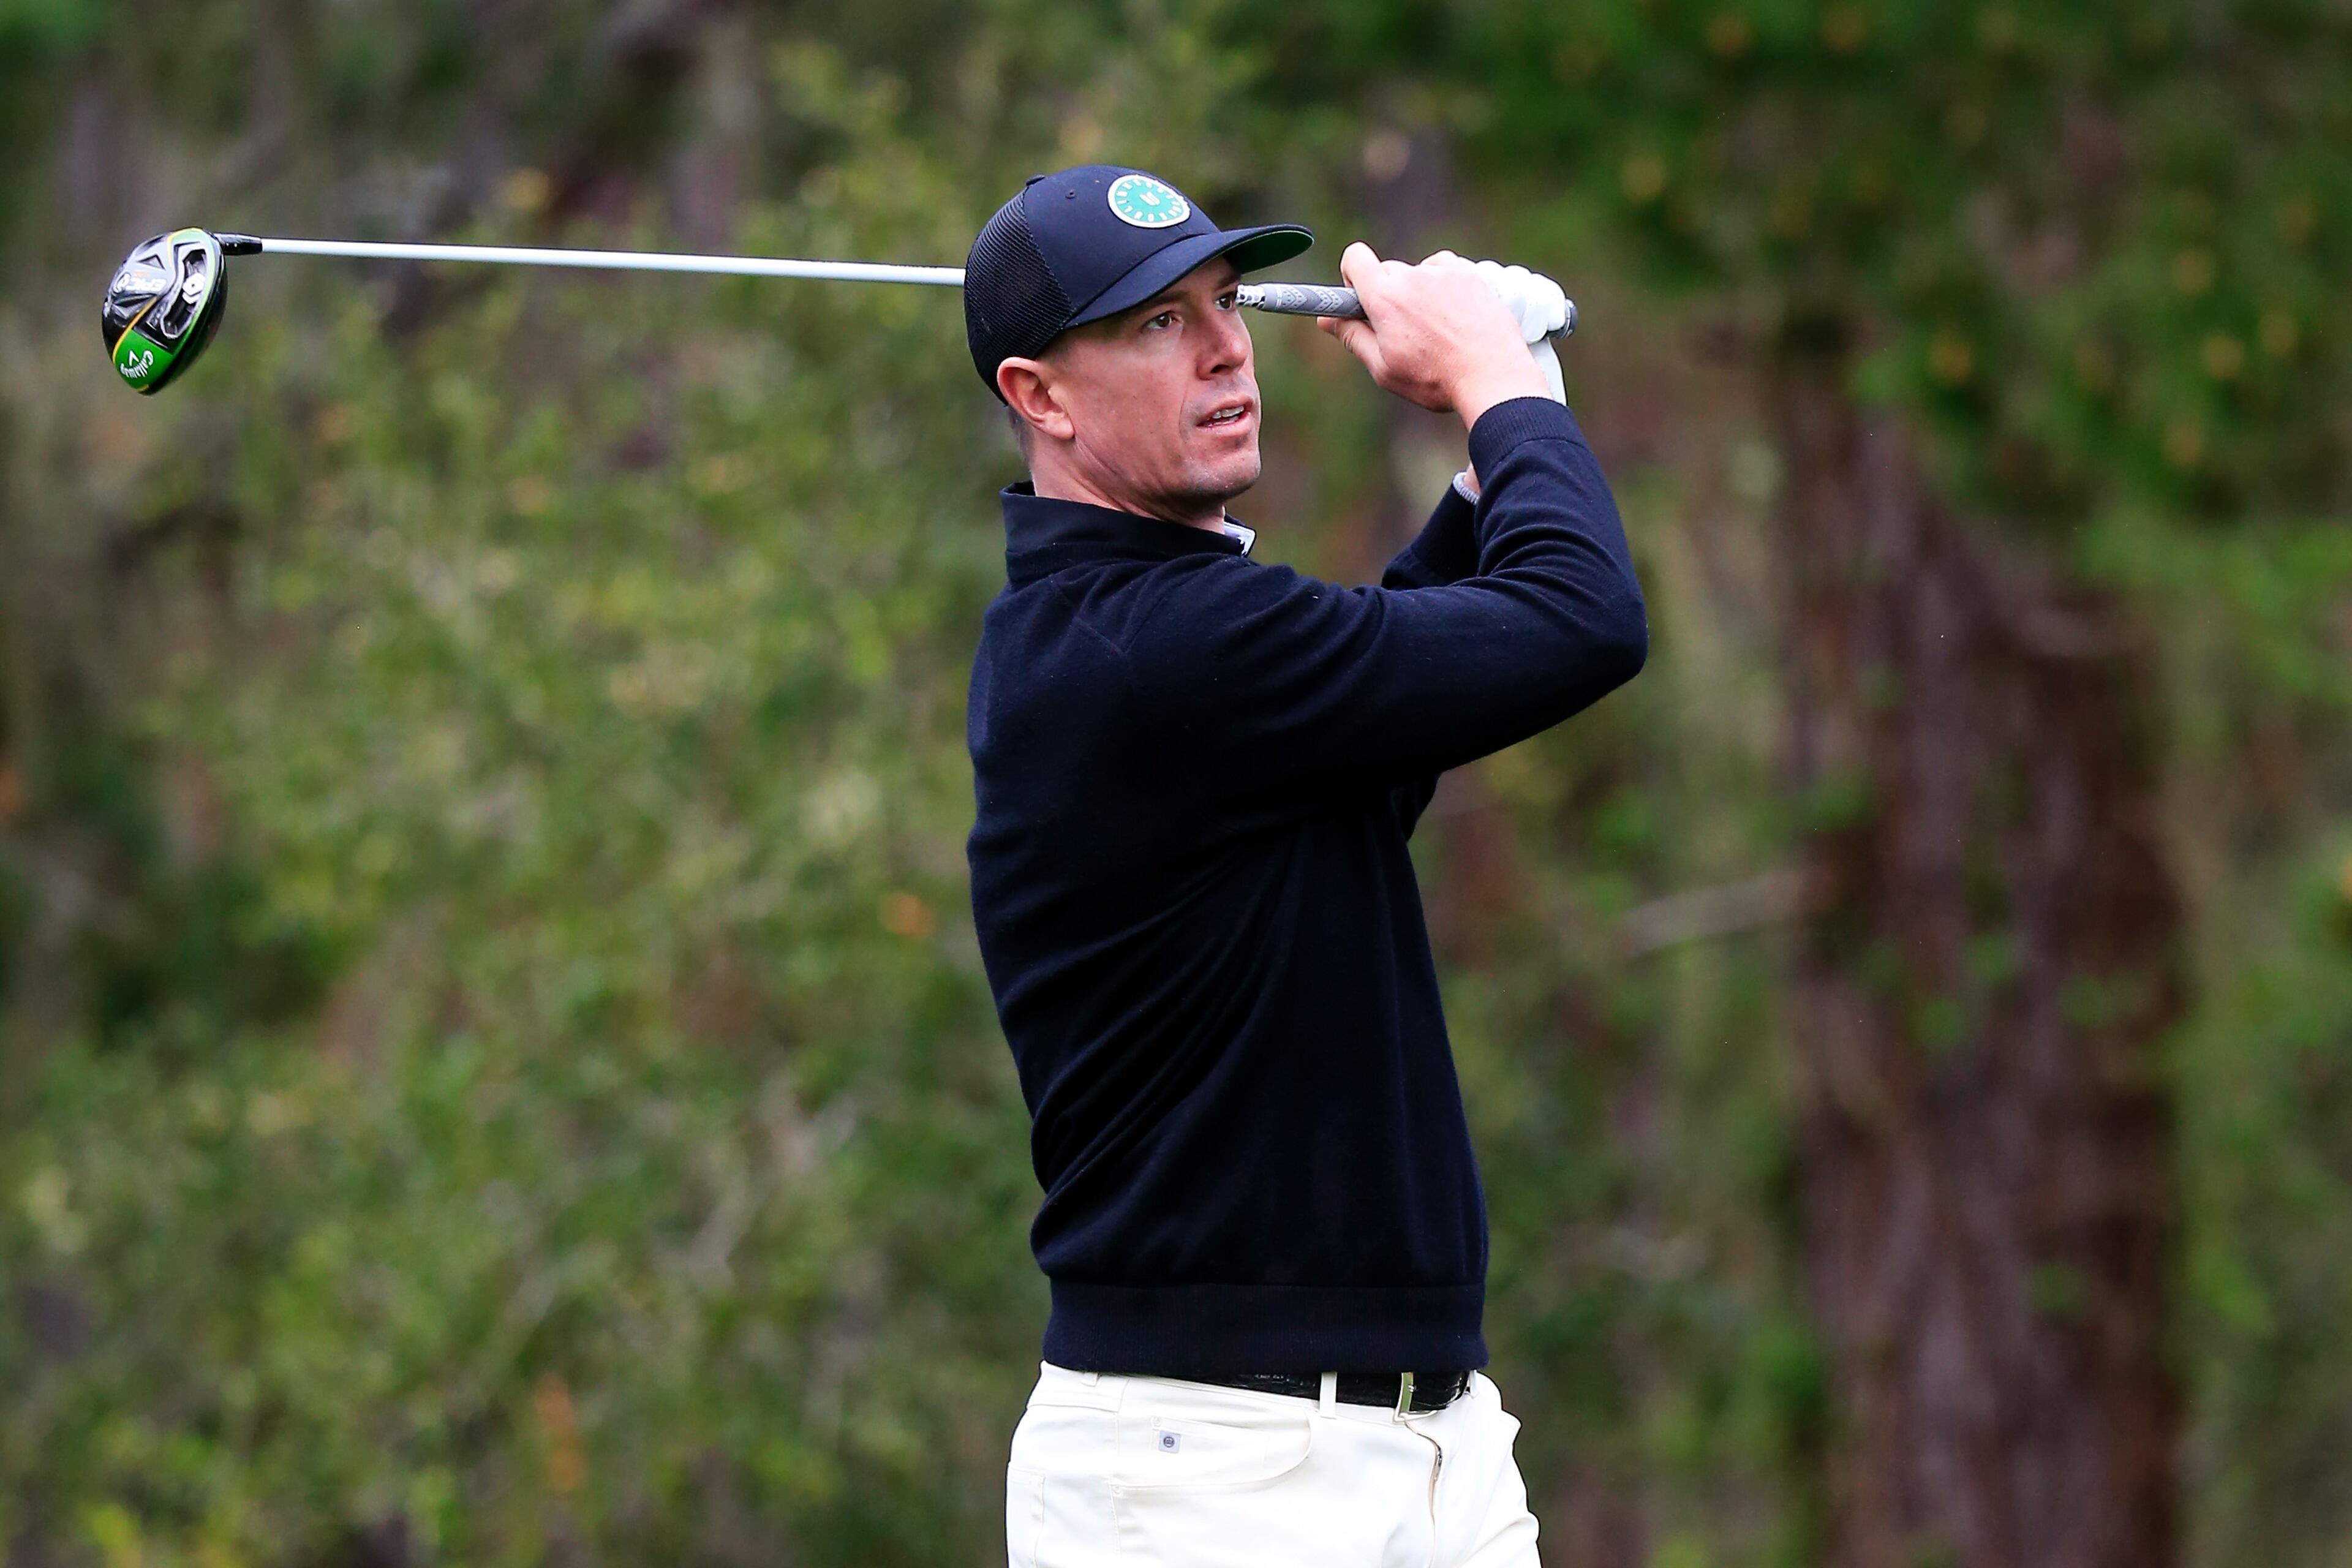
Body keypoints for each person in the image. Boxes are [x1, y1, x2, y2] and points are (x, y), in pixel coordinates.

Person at [962, 165, 1647, 1567]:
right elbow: (1582, 618)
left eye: (1224, 304)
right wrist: (1496, 385)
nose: (1223, 349)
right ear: (1040, 397)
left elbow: (1369, 749)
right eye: (1154, 325)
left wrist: (1496, 448)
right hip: (1210, 1474)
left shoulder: (1169, 634)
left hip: (1419, 1440)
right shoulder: (1146, 640)